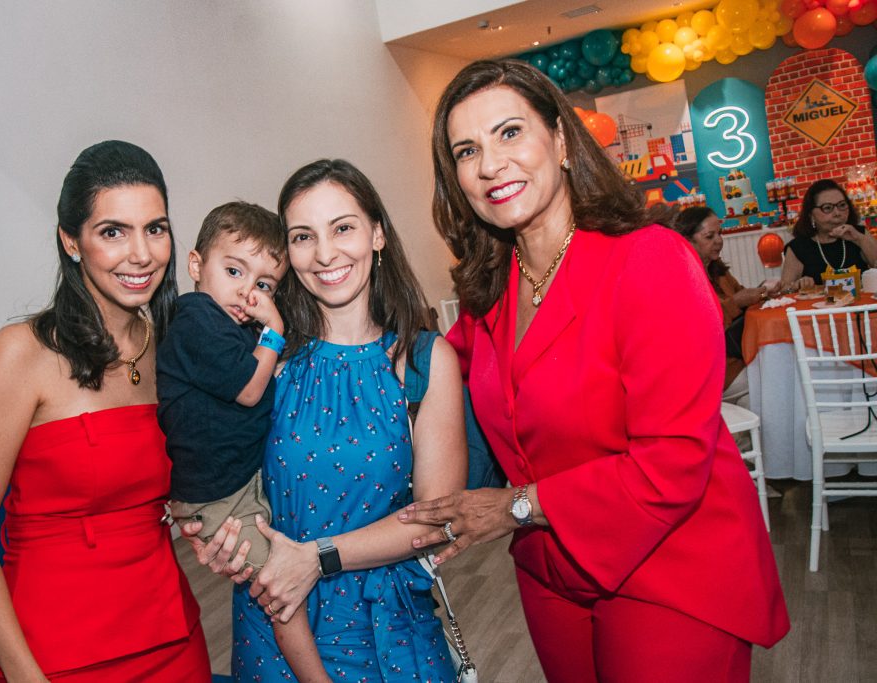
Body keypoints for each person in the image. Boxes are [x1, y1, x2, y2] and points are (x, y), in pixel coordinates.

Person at [398, 59, 789, 682]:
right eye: (466, 150)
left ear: (559, 141)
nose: (490, 164)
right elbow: (421, 391)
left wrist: (515, 508)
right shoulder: (489, 298)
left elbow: (673, 461)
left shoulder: (649, 260)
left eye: (508, 133)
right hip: (552, 573)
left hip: (673, 564)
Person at [190, 159, 467, 681]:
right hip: (274, 621)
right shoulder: (263, 359)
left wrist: (320, 557)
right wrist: (213, 532)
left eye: (343, 228)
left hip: (386, 627)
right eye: (302, 236)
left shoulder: (425, 361)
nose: (324, 253)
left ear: (377, 234)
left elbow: (436, 517)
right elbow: (208, 460)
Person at [0, 141, 212, 682]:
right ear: (71, 241)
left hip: (172, 637)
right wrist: (25, 676)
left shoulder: (171, 351)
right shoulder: (21, 354)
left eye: (155, 228)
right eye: (113, 231)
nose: (141, 254)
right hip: (56, 653)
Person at [155, 201, 325, 681]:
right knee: (281, 585)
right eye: (233, 270)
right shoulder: (197, 321)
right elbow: (252, 390)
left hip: (240, 480)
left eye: (263, 285)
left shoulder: (227, 329)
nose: (247, 292)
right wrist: (274, 330)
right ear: (196, 266)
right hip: (219, 499)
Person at [673, 206, 774, 406]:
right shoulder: (682, 279)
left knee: (756, 401)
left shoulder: (718, 271)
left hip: (738, 359)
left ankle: (747, 436)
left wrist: (763, 291)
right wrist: (736, 303)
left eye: (720, 233)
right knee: (775, 374)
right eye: (709, 236)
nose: (719, 241)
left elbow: (742, 294)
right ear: (688, 241)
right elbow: (704, 328)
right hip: (714, 371)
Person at [781, 178, 877, 290]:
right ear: (811, 214)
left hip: (862, 306)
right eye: (827, 208)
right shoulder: (798, 247)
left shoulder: (859, 233)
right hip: (820, 306)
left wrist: (859, 239)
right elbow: (785, 290)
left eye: (841, 205)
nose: (837, 213)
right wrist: (798, 285)